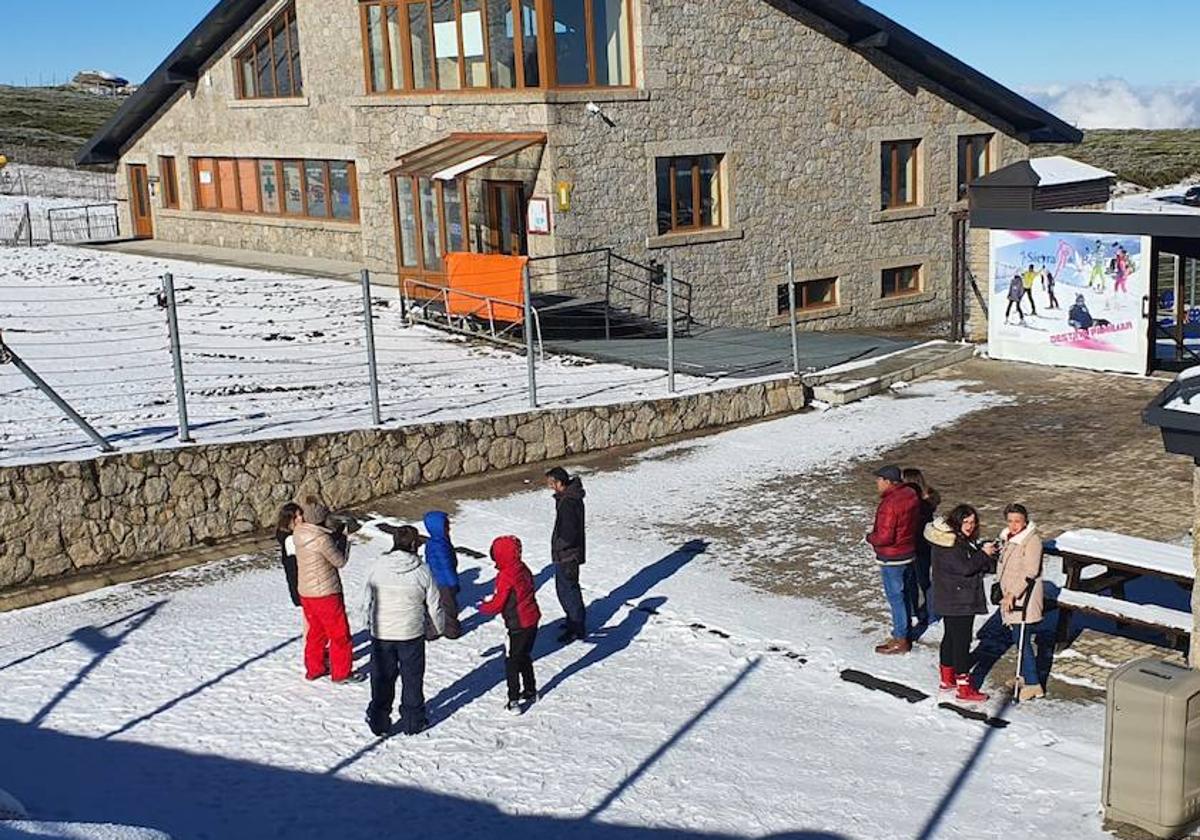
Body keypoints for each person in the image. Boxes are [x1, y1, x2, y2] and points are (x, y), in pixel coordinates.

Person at [363, 525, 445, 736]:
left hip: (382, 632)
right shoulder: (422, 570)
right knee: (412, 678)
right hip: (411, 633)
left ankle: (379, 720)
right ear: (414, 544)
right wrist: (436, 629)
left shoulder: (378, 566)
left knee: (382, 677)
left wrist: (367, 623)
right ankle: (413, 721)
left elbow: (365, 599)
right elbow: (434, 604)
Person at [927, 505, 999, 702]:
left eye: (973, 522)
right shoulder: (952, 543)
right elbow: (965, 567)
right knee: (961, 642)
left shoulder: (948, 538)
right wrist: (984, 554)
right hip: (959, 600)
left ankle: (947, 679)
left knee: (950, 638)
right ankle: (964, 687)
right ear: (956, 522)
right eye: (966, 521)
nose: (970, 526)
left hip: (949, 597)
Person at [294, 495, 362, 684]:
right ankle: (341, 673)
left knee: (315, 632)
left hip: (307, 591)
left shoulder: (299, 533)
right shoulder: (322, 539)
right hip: (326, 592)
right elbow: (339, 561)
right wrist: (344, 540)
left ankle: (314, 668)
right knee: (339, 634)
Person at [478, 535, 541, 713]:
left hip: (518, 624)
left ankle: (513, 700)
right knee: (524, 656)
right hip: (532, 619)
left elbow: (498, 603)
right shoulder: (523, 568)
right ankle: (530, 690)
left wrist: (483, 607)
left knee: (512, 662)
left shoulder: (505, 576)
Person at [866, 465, 921, 655]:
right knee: (905, 593)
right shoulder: (910, 494)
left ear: (888, 481)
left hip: (892, 556)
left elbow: (885, 537)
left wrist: (870, 538)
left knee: (895, 598)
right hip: (908, 551)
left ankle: (900, 638)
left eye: (879, 480)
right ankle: (907, 626)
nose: (877, 483)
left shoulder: (889, 504)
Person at [997, 503, 1045, 701]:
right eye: (1010, 521)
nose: (1014, 525)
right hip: (1011, 596)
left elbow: (1030, 571)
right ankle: (1025, 675)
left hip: (1024, 598)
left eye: (1017, 521)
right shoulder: (1008, 538)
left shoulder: (1031, 541)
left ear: (1025, 520)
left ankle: (1034, 684)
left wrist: (1012, 594)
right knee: (1018, 639)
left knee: (1022, 640)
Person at [546, 466, 587, 644]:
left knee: (568, 591)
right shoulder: (567, 498)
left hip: (567, 555)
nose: (549, 487)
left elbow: (569, 533)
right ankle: (573, 620)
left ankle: (576, 626)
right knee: (567, 590)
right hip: (567, 554)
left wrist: (559, 546)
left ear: (559, 483)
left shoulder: (568, 503)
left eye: (551, 483)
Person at [902, 467, 940, 626]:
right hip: (927, 544)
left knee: (911, 580)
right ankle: (932, 612)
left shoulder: (913, 503)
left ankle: (914, 612)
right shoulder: (929, 501)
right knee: (925, 580)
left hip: (913, 545)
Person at [423, 511, 462, 640]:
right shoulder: (440, 545)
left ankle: (432, 630)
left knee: (435, 606)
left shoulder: (436, 541)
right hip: (444, 582)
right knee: (449, 607)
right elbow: (446, 566)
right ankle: (451, 631)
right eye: (446, 525)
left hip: (435, 580)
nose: (449, 528)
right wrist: (453, 583)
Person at [276, 502, 303, 610]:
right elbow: (293, 569)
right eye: (296, 517)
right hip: (302, 589)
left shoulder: (293, 537)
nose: (301, 518)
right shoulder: (291, 541)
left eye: (301, 514)